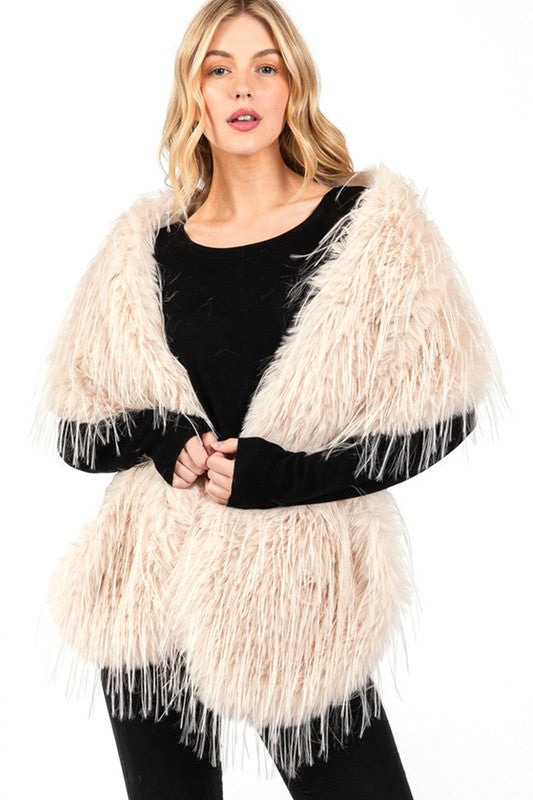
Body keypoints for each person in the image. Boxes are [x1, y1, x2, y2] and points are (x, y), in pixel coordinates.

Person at [36, 1, 504, 798]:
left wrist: (284, 478)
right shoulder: (145, 247)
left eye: (266, 66)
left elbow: (442, 415)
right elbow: (78, 432)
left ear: (294, 86)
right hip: (148, 588)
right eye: (218, 68)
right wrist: (159, 433)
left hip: (295, 595)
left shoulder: (368, 229)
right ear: (193, 91)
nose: (242, 87)